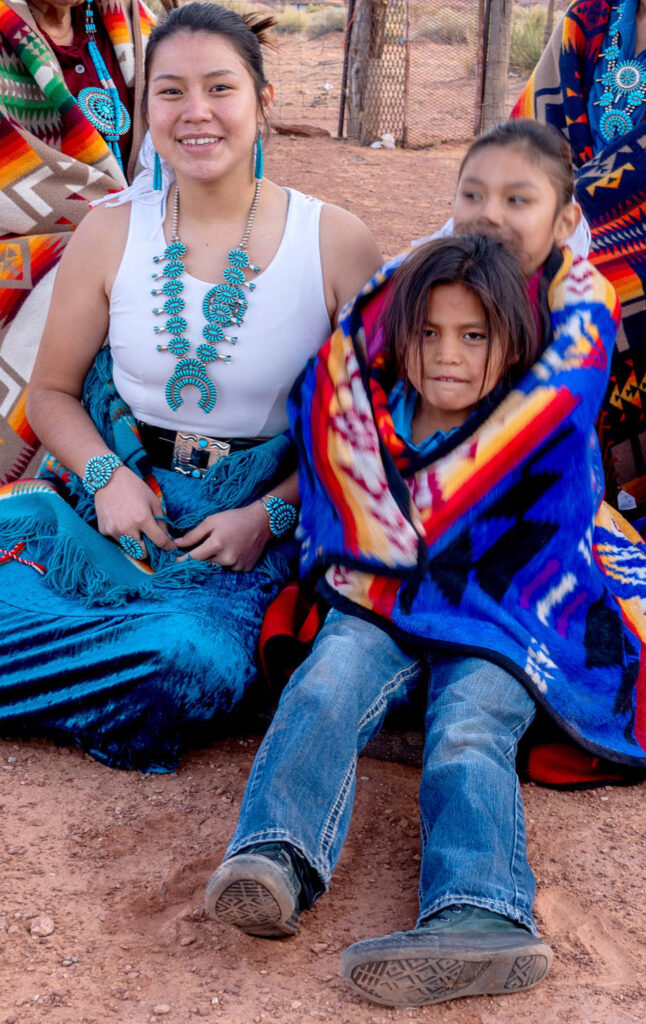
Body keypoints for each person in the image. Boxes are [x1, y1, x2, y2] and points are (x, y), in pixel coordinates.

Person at [205, 126, 646, 1009]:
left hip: (514, 602)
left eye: (518, 200)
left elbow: (525, 474)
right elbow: (337, 395)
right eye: (474, 192)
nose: (448, 355)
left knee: (472, 722)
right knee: (328, 679)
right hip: (392, 590)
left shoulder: (571, 339)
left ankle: (480, 911)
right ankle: (273, 855)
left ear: (562, 218)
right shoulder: (410, 307)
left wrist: (402, 525)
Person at [0, 2, 381, 772]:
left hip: (242, 544)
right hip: (108, 515)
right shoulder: (111, 231)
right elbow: (52, 396)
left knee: (193, 662)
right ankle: (105, 678)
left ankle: (100, 672)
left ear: (263, 102)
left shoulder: (336, 242)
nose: (195, 113)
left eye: (220, 88)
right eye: (170, 92)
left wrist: (267, 515)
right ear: (146, 111)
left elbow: (372, 430)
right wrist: (107, 477)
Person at [0, 0, 156, 483]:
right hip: (22, 234)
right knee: (70, 284)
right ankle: (39, 490)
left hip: (149, 221)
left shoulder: (131, 23)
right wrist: (117, 221)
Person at [512, 0, 646, 508]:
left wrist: (567, 216)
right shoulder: (588, 19)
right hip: (568, 220)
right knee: (469, 277)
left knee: (590, 291)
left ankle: (594, 500)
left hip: (602, 230)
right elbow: (532, 138)